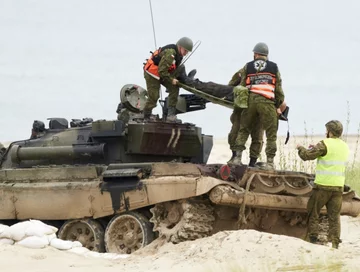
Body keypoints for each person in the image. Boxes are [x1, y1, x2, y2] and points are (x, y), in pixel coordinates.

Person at [231, 42, 285, 170]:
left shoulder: (248, 66)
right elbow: (278, 89)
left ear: (255, 54)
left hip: (250, 101)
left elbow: (242, 86)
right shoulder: (274, 67)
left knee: (244, 129)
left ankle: (237, 158)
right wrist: (277, 105)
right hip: (266, 102)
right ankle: (270, 162)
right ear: (266, 55)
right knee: (271, 133)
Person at [296, 120, 349, 249]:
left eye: (327, 130)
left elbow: (307, 156)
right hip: (338, 187)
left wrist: (300, 148)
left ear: (330, 132)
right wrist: (316, 148)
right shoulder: (344, 146)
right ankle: (335, 243)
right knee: (334, 216)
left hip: (323, 186)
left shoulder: (324, 143)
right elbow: (330, 155)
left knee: (313, 211)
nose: (326, 132)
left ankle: (313, 239)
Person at [143, 37, 193, 122]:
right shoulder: (171, 53)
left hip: (163, 73)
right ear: (180, 47)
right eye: (185, 50)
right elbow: (161, 71)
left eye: (187, 52)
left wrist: (174, 80)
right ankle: (146, 115)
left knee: (174, 87)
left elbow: (171, 69)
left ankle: (171, 115)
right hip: (152, 74)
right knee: (154, 97)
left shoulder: (179, 55)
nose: (186, 53)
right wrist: (171, 80)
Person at [227, 68, 264, 166]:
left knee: (257, 137)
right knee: (235, 133)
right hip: (242, 108)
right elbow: (231, 85)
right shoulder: (245, 70)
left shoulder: (271, 73)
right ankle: (235, 157)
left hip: (259, 110)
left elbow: (276, 92)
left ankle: (252, 162)